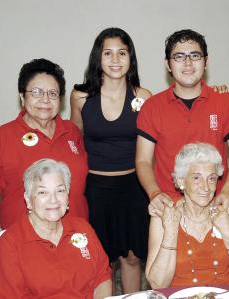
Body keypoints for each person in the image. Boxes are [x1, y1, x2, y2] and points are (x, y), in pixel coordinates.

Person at [0, 58, 88, 258]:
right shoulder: (3, 136)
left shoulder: (72, 132)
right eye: (36, 92)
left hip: (74, 237)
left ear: (60, 100)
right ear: (22, 97)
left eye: (52, 94)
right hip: (24, 241)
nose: (45, 99)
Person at [70, 27, 151, 293]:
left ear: (131, 58)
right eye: (108, 53)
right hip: (95, 190)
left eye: (122, 53)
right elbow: (74, 141)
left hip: (134, 189)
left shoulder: (143, 96)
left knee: (132, 256)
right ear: (98, 58)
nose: (115, 60)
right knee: (101, 259)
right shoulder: (80, 97)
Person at [136, 29, 229, 218]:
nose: (188, 63)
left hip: (216, 205)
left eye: (194, 56)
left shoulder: (225, 102)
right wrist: (154, 193)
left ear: (206, 61)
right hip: (170, 208)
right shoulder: (152, 107)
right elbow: (143, 160)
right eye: (179, 56)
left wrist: (228, 191)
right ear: (168, 64)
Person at [0, 159, 111, 298]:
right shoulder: (9, 245)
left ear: (67, 196)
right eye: (42, 192)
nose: (53, 200)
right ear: (28, 200)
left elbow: (102, 278)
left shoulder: (82, 228)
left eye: (60, 190)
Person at [146, 143, 229, 288]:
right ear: (181, 180)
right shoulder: (163, 217)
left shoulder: (225, 214)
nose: (205, 187)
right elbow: (158, 284)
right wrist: (171, 232)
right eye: (196, 178)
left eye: (211, 178)